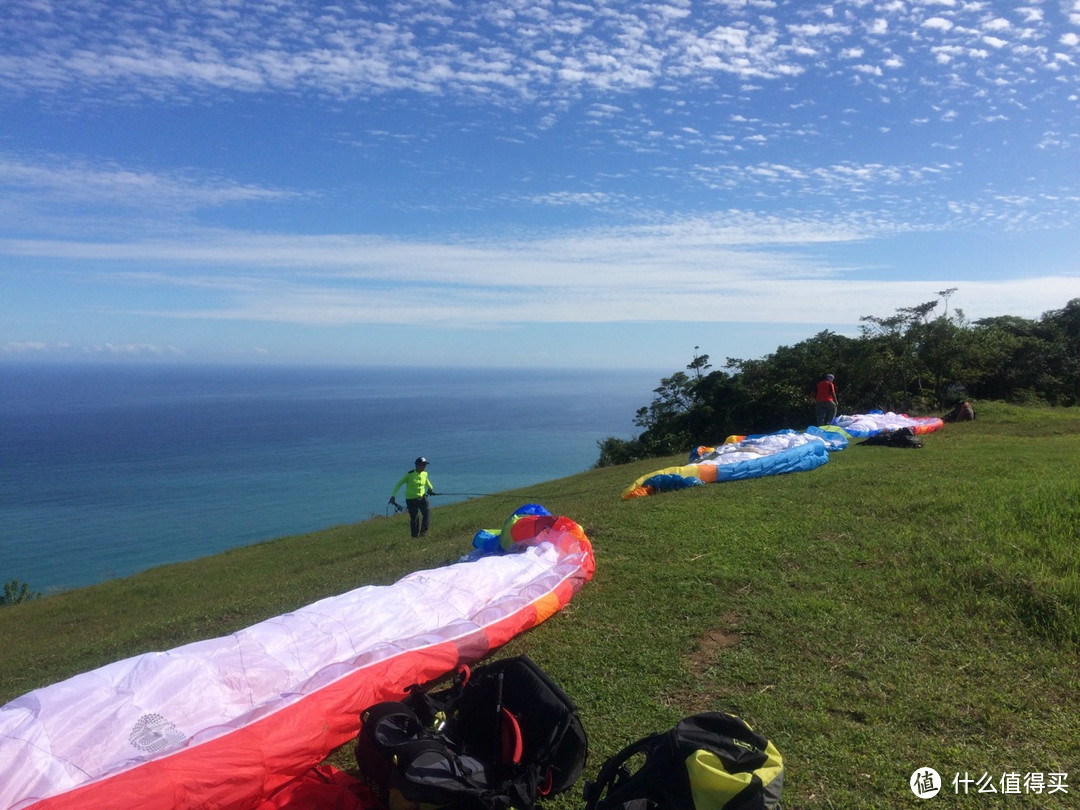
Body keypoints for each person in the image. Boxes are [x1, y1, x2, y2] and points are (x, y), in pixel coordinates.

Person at [389, 457, 437, 537]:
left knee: (427, 513)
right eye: (422, 465)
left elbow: (427, 482)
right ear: (417, 465)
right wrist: (393, 496)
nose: (424, 466)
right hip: (411, 500)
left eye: (425, 465)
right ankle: (414, 536)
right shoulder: (409, 474)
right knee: (414, 518)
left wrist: (430, 488)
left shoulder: (425, 473)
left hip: (422, 498)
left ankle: (423, 533)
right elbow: (398, 484)